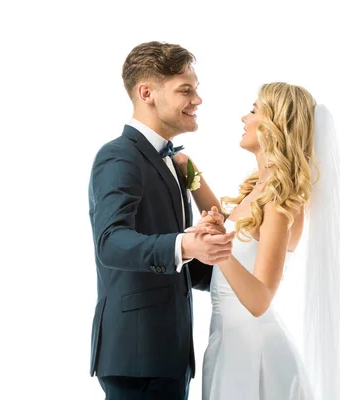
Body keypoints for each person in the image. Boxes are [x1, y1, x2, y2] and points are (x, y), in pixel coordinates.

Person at [175, 82, 340, 399]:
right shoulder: (260, 189)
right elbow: (230, 229)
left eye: (254, 110)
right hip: (229, 343)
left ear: (275, 125)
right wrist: (193, 177)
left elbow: (259, 300)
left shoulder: (279, 202)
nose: (244, 118)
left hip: (253, 353)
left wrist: (217, 248)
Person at [87, 41, 235, 400]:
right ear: (147, 92)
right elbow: (111, 241)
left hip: (167, 355)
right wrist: (186, 243)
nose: (197, 100)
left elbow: (182, 264)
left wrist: (239, 271)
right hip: (137, 357)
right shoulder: (118, 156)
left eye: (196, 89)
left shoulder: (173, 161)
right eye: (186, 90)